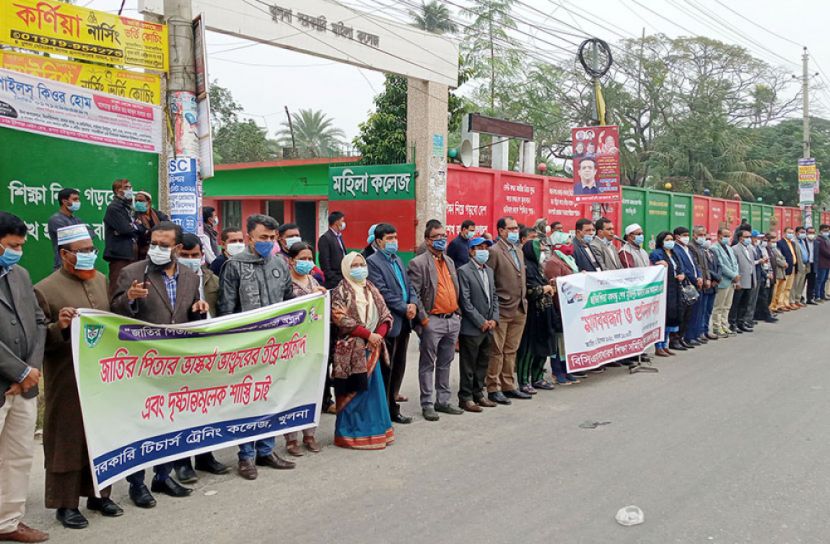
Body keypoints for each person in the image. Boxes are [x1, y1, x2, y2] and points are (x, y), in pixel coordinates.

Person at [111, 222, 209, 506]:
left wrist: (198, 310)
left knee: (170, 421)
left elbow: (189, 314)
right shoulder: (132, 273)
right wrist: (128, 299)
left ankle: (163, 475)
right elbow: (112, 312)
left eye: (164, 245)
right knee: (141, 424)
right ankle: (137, 483)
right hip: (142, 364)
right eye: (153, 243)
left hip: (176, 363)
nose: (156, 249)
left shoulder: (191, 276)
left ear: (178, 248)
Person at [34, 225, 124, 530]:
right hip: (66, 376)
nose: (89, 255)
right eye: (82, 251)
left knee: (99, 434)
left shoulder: (100, 279)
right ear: (64, 254)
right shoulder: (44, 289)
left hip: (99, 374)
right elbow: (38, 339)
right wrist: (57, 326)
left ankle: (100, 495)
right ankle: (65, 503)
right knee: (66, 437)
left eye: (90, 249)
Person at [217, 214, 296, 479]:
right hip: (245, 347)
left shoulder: (280, 264)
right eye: (263, 237)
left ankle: (267, 450)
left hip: (274, 346)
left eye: (273, 238)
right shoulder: (234, 266)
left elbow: (289, 301)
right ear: (250, 236)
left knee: (271, 398)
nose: (268, 242)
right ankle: (246, 456)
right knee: (247, 401)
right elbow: (225, 309)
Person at [0, 213, 49, 544]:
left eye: (20, 246)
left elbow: (38, 321)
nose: (17, 252)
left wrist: (31, 370)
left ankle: (8, 522)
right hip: (7, 381)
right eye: (12, 246)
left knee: (18, 456)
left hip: (25, 386)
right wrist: (17, 371)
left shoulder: (20, 274)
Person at [170, 234, 229, 484]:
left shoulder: (212, 279)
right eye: (187, 256)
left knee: (207, 406)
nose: (192, 260)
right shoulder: (172, 281)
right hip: (181, 353)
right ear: (177, 253)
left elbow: (224, 309)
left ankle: (206, 456)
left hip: (210, 351)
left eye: (196, 256)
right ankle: (182, 462)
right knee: (183, 409)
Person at [330, 252, 394, 449]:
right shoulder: (341, 290)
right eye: (354, 265)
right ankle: (350, 435)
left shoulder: (371, 288)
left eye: (361, 264)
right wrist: (367, 335)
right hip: (351, 351)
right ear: (346, 268)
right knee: (353, 391)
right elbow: (340, 317)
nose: (359, 268)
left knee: (373, 393)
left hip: (372, 346)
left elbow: (385, 314)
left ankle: (375, 432)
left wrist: (378, 336)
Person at [407, 221, 463, 421]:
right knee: (427, 364)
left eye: (443, 235)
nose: (441, 239)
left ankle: (443, 401)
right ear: (427, 240)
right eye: (436, 236)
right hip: (433, 321)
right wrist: (424, 320)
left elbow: (455, 288)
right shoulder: (418, 263)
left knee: (446, 362)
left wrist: (458, 314)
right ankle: (427, 403)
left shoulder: (449, 261)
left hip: (452, 319)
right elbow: (414, 293)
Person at [366, 224, 419, 425]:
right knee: (386, 369)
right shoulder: (373, 262)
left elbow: (409, 286)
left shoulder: (397, 259)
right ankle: (385, 411)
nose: (393, 241)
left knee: (399, 365)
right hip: (389, 322)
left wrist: (412, 303)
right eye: (389, 238)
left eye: (395, 237)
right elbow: (382, 292)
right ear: (378, 241)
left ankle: (393, 407)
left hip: (405, 321)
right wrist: (404, 307)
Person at [282, 242, 325, 456]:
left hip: (313, 343)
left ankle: (310, 434)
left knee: (312, 388)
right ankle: (291, 438)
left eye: (310, 259)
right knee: (292, 389)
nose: (307, 263)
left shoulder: (314, 281)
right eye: (303, 259)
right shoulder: (284, 284)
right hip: (291, 345)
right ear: (291, 260)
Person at [486, 216, 530, 403]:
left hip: (519, 307)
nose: (515, 231)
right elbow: (489, 280)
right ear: (501, 231)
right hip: (502, 308)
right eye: (511, 228)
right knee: (497, 350)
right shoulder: (494, 251)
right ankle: (493, 387)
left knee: (511, 349)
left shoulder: (518, 251)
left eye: (516, 228)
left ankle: (508, 385)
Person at [456, 237, 499, 412]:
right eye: (479, 248)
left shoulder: (489, 270)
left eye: (485, 248)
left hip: (489, 325)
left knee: (483, 362)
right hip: (472, 327)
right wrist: (481, 321)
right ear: (471, 251)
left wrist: (494, 319)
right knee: (468, 364)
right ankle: (465, 397)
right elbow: (465, 302)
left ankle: (478, 394)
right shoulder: (464, 271)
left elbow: (494, 296)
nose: (483, 251)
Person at [516, 239, 558, 394]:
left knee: (544, 346)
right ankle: (524, 381)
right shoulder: (525, 267)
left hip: (545, 312)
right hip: (532, 314)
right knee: (528, 349)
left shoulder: (538, 267)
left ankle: (538, 377)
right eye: (539, 251)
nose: (542, 254)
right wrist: (543, 288)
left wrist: (549, 285)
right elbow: (528, 290)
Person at [543, 231, 581, 384]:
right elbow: (555, 286)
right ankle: (557, 371)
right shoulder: (553, 262)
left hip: (571, 307)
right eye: (567, 243)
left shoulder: (568, 259)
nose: (570, 246)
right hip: (559, 308)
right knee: (558, 343)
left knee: (566, 342)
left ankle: (566, 370)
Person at [649, 232, 683, 355]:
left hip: (675, 288)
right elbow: (651, 268)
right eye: (667, 239)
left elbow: (680, 268)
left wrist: (681, 275)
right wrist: (657, 265)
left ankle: (665, 344)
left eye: (672, 239)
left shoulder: (674, 253)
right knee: (663, 316)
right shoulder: (656, 253)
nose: (670, 241)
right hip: (663, 290)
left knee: (672, 316)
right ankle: (658, 346)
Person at [103, 178, 138, 296]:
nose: (130, 190)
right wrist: (132, 228)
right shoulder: (114, 208)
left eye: (130, 187)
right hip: (119, 254)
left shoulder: (127, 207)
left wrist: (133, 227)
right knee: (117, 287)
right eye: (127, 188)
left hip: (130, 254)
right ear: (118, 191)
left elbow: (137, 228)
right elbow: (126, 229)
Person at [710, 228, 739, 337]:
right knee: (719, 306)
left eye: (729, 235)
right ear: (719, 236)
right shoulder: (714, 248)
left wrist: (736, 275)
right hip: (723, 280)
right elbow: (721, 265)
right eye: (725, 235)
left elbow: (735, 263)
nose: (727, 238)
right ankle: (717, 327)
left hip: (732, 281)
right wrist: (733, 275)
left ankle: (724, 325)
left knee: (727, 305)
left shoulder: (729, 248)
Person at [47, 187, 84, 270]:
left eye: (78, 199)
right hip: (63, 265)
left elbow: (90, 234)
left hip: (79, 264)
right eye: (75, 199)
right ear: (65, 201)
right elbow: (72, 239)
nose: (78, 202)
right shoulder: (56, 220)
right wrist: (80, 235)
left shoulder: (77, 220)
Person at [729, 230, 756, 334]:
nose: (749, 238)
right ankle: (733, 323)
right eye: (747, 237)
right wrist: (736, 282)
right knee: (736, 303)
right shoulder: (735, 249)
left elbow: (752, 265)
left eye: (749, 236)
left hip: (749, 280)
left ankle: (741, 322)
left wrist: (754, 280)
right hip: (740, 281)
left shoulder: (749, 248)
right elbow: (734, 266)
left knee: (745, 303)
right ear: (741, 238)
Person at [134, 191, 169, 261]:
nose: (137, 203)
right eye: (136, 201)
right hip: (141, 253)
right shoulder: (134, 216)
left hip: (158, 250)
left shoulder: (158, 215)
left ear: (148, 202)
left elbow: (167, 226)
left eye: (140, 201)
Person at [699, 234, 720, 341]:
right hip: (707, 283)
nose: (707, 241)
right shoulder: (700, 252)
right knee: (703, 310)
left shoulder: (712, 252)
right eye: (705, 238)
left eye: (708, 238)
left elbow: (719, 265)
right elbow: (704, 268)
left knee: (709, 310)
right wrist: (713, 278)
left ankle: (707, 330)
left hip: (714, 284)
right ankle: (701, 331)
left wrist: (717, 279)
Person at [318, 211, 347, 290]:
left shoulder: (339, 237)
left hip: (343, 276)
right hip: (334, 279)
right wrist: (332, 277)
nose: (343, 223)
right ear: (337, 222)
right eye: (342, 221)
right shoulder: (325, 238)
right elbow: (324, 260)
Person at [755, 234, 778, 324]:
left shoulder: (768, 249)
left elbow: (770, 262)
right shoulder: (758, 249)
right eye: (762, 240)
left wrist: (771, 273)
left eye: (765, 240)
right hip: (763, 275)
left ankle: (763, 313)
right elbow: (760, 264)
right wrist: (766, 274)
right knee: (763, 297)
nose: (764, 241)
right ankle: (765, 315)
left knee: (769, 296)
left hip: (770, 274)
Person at [775, 227, 799, 312]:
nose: (790, 234)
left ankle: (786, 302)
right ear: (784, 233)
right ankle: (780, 304)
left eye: (792, 233)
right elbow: (780, 256)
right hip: (785, 267)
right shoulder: (780, 243)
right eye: (789, 232)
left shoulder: (792, 243)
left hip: (792, 267)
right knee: (782, 287)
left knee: (788, 287)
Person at [768, 232, 789, 313]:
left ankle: (776, 305)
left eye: (775, 241)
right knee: (774, 291)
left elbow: (782, 257)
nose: (774, 243)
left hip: (781, 272)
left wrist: (784, 262)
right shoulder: (769, 250)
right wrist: (783, 263)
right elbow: (775, 259)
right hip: (776, 271)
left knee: (779, 290)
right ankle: (772, 306)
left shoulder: (777, 249)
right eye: (772, 241)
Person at [791, 226, 809, 307]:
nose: (803, 234)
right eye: (801, 232)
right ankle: (792, 301)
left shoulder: (803, 241)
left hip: (805, 265)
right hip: (798, 266)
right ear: (796, 232)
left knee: (801, 284)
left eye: (804, 232)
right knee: (795, 284)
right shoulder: (793, 241)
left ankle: (798, 299)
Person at [815, 224, 830, 301]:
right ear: (820, 231)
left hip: (827, 263)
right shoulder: (819, 239)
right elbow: (824, 251)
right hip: (821, 263)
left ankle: (822, 294)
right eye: (825, 230)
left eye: (828, 230)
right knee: (819, 280)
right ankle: (817, 296)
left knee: (824, 279)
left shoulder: (826, 239)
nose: (827, 232)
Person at [804, 227, 818, 304]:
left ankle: (810, 298)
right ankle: (799, 299)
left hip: (813, 264)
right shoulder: (803, 241)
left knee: (812, 282)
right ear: (806, 233)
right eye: (809, 232)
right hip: (805, 264)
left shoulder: (816, 242)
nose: (811, 234)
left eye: (813, 232)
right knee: (802, 282)